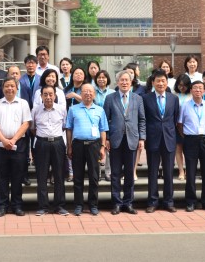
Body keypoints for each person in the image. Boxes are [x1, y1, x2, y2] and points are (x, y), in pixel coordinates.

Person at [0, 78, 32, 217]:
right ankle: (2, 206)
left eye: (12, 86)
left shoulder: (23, 103)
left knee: (17, 177)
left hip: (18, 144)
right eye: (7, 86)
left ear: (17, 88)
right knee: (2, 177)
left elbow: (26, 124)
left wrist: (12, 140)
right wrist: (4, 140)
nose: (10, 89)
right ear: (2, 88)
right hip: (1, 145)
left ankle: (17, 206)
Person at [103, 70, 145, 215]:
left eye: (127, 80)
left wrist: (141, 138)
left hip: (132, 140)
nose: (124, 82)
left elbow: (142, 120)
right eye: (122, 80)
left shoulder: (137, 98)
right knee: (115, 174)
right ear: (117, 82)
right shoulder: (110, 98)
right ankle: (116, 203)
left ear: (131, 82)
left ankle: (128, 202)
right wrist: (107, 138)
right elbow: (105, 120)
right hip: (115, 140)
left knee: (129, 174)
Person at [66, 83, 108, 216]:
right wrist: (69, 146)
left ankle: (93, 205)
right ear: (81, 93)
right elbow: (69, 129)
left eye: (90, 91)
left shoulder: (100, 110)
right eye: (85, 91)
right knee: (77, 177)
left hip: (94, 145)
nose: (88, 94)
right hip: (78, 145)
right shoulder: (73, 109)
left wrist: (102, 147)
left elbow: (103, 130)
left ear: (94, 94)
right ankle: (78, 205)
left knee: (94, 177)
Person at [141, 70, 180, 213]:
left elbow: (175, 119)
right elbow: (143, 119)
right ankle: (152, 201)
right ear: (153, 82)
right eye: (158, 81)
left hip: (169, 139)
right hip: (152, 139)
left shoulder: (173, 99)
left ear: (167, 82)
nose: (161, 83)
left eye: (163, 80)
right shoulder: (145, 98)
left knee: (169, 172)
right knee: (152, 172)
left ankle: (169, 202)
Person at [177, 80, 205, 212]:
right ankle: (190, 201)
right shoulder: (184, 106)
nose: (198, 90)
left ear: (204, 91)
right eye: (195, 88)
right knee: (190, 172)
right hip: (191, 140)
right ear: (191, 90)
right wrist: (187, 136)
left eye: (201, 88)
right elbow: (180, 124)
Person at [31, 85, 69, 216]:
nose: (48, 97)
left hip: (58, 143)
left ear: (55, 95)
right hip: (42, 144)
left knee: (59, 175)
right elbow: (33, 128)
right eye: (45, 94)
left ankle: (60, 206)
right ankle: (43, 206)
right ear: (41, 96)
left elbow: (64, 126)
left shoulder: (62, 109)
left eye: (50, 94)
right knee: (42, 176)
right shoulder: (35, 110)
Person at [173, 75, 193, 181]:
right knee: (178, 149)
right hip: (176, 125)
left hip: (189, 126)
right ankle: (181, 171)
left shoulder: (191, 95)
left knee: (189, 150)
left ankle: (189, 170)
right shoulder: (174, 95)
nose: (182, 87)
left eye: (184, 85)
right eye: (180, 85)